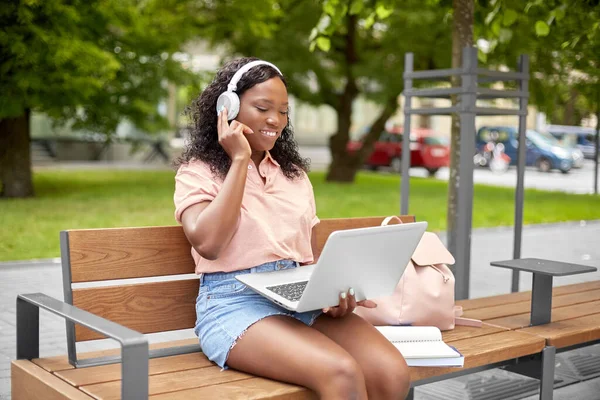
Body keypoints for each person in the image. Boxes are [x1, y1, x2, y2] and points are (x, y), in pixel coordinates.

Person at [174, 57, 410, 400]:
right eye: (262, 107)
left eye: (283, 111)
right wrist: (239, 160)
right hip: (234, 306)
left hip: (297, 297)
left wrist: (333, 295)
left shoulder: (293, 175)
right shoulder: (198, 172)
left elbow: (308, 257)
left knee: (390, 371)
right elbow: (208, 243)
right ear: (228, 108)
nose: (275, 120)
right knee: (341, 372)